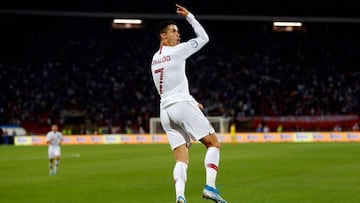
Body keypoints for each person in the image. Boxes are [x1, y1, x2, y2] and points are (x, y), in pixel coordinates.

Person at [150, 4, 227, 203]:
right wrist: (190, 17)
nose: (178, 35)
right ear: (163, 36)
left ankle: (180, 197)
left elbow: (170, 85)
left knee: (181, 159)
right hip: (181, 106)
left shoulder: (155, 59)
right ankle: (210, 187)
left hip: (165, 112)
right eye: (174, 31)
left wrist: (192, 101)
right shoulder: (177, 52)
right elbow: (204, 38)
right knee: (213, 144)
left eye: (178, 31)